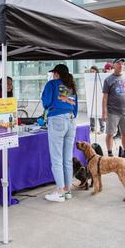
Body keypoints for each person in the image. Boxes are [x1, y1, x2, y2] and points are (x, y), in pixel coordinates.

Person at [42, 64, 78, 202]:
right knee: (67, 158)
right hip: (70, 120)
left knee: (56, 157)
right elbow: (75, 107)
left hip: (57, 119)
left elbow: (46, 102)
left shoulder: (52, 84)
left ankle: (59, 191)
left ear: (56, 73)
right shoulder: (70, 86)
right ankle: (67, 189)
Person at [102, 58, 125, 161]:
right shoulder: (108, 80)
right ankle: (110, 153)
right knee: (110, 133)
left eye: (122, 63)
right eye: (118, 63)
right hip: (112, 111)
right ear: (114, 65)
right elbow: (105, 97)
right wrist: (104, 112)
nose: (121, 65)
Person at [89, 65, 105, 134]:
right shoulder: (89, 79)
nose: (92, 73)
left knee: (99, 113)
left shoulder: (100, 78)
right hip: (91, 97)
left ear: (96, 71)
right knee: (91, 113)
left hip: (99, 98)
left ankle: (102, 129)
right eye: (91, 72)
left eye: (93, 71)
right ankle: (92, 128)